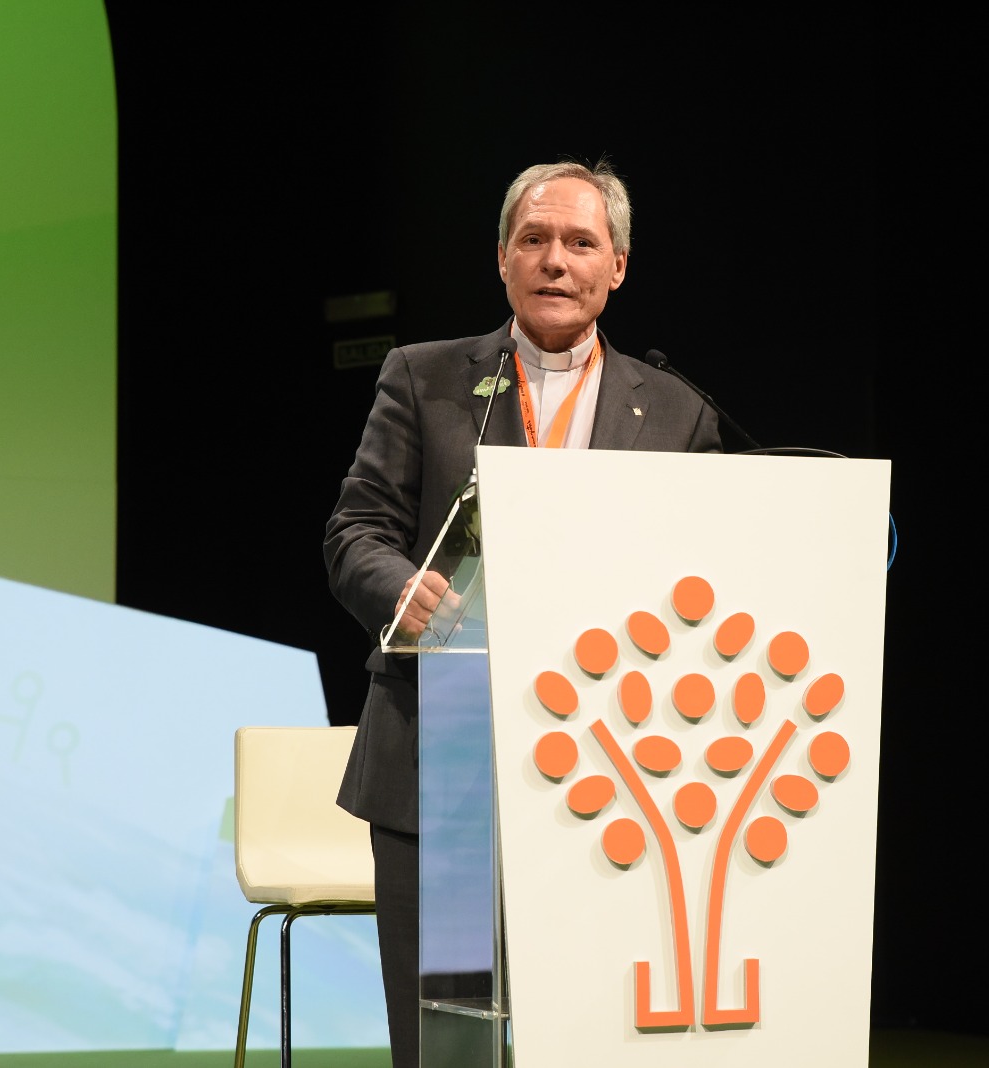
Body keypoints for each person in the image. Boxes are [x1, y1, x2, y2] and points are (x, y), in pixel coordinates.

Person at [322, 157, 723, 1066]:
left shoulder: (678, 413)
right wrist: (401, 590)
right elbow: (355, 533)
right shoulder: (424, 378)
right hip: (447, 749)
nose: (555, 260)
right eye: (534, 239)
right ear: (502, 258)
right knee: (448, 1040)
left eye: (580, 242)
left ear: (617, 265)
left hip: (612, 767)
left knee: (587, 1035)